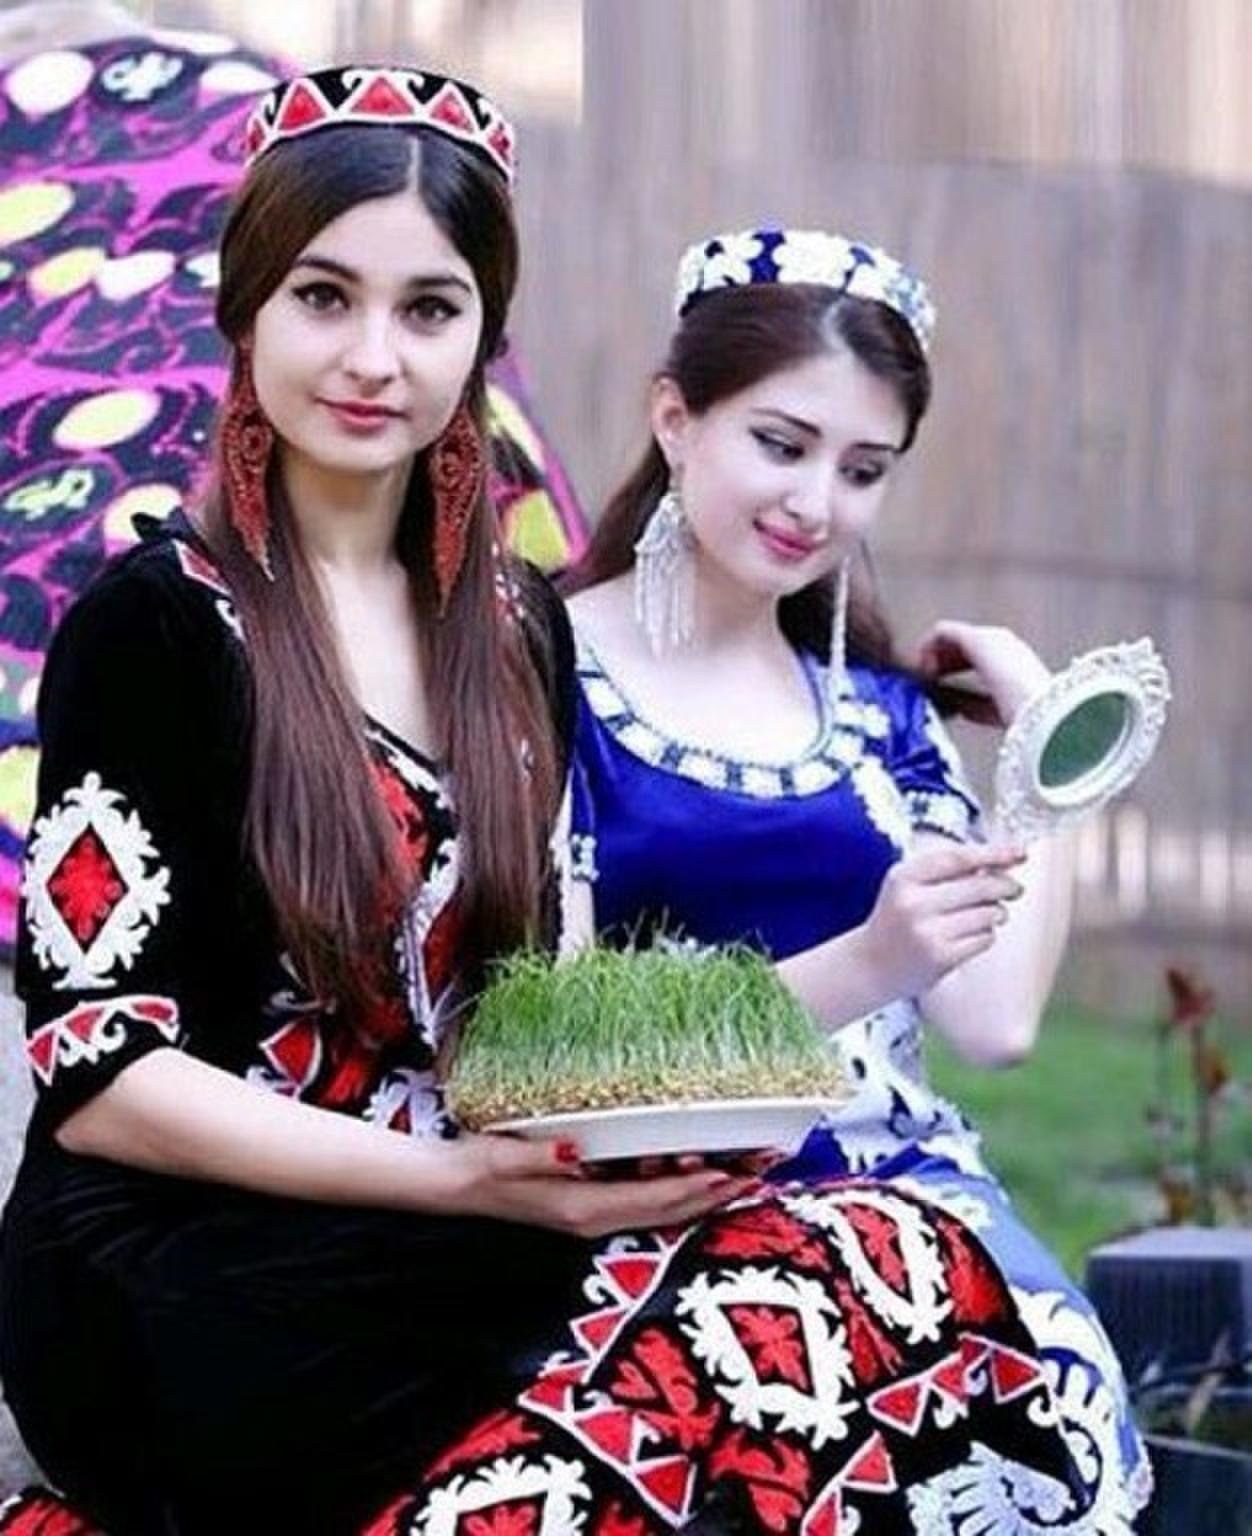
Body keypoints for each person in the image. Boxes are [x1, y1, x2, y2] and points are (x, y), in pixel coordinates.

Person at [0, 81, 1082, 1530]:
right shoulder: (155, 628)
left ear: (483, 337)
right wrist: (462, 1182)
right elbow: (103, 1079)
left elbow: (534, 1017)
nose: (374, 357)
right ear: (245, 308)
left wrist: (850, 977)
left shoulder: (512, 625)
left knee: (885, 1265)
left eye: (429, 309)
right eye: (324, 296)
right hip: (195, 1275)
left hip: (463, 1232)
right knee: (744, 1353)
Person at [562, 227, 1152, 1532]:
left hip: (906, 1203)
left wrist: (1045, 758)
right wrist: (867, 960)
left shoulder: (880, 715)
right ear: (675, 419)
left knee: (1028, 1430)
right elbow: (549, 1040)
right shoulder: (539, 673)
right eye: (782, 444)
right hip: (650, 1209)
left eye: (864, 469)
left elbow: (993, 1022)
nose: (816, 503)